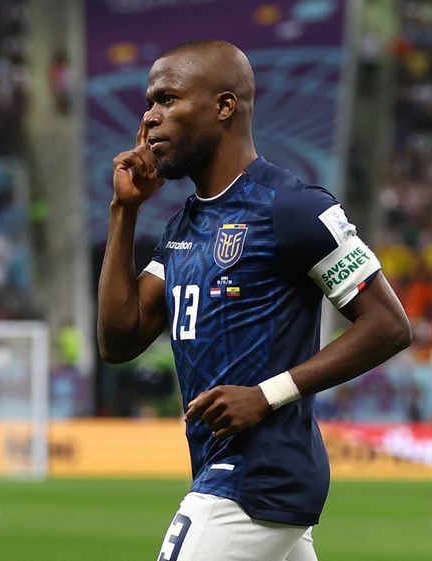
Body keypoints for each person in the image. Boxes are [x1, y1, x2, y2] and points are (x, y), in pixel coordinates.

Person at [97, 39, 412, 561]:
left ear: (224, 106)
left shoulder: (292, 208)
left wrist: (266, 395)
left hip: (252, 478)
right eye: (150, 103)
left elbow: (388, 325)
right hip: (239, 475)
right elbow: (119, 338)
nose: (150, 118)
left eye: (168, 100)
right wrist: (122, 212)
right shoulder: (183, 225)